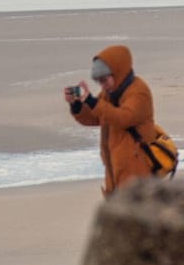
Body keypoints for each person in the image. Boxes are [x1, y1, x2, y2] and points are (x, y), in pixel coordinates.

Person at [66, 44, 163, 196]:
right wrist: (77, 105)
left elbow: (122, 118)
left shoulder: (139, 92)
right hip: (114, 174)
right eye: (99, 82)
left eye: (104, 80)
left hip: (137, 178)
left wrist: (91, 101)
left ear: (118, 73)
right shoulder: (109, 94)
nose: (102, 86)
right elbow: (94, 117)